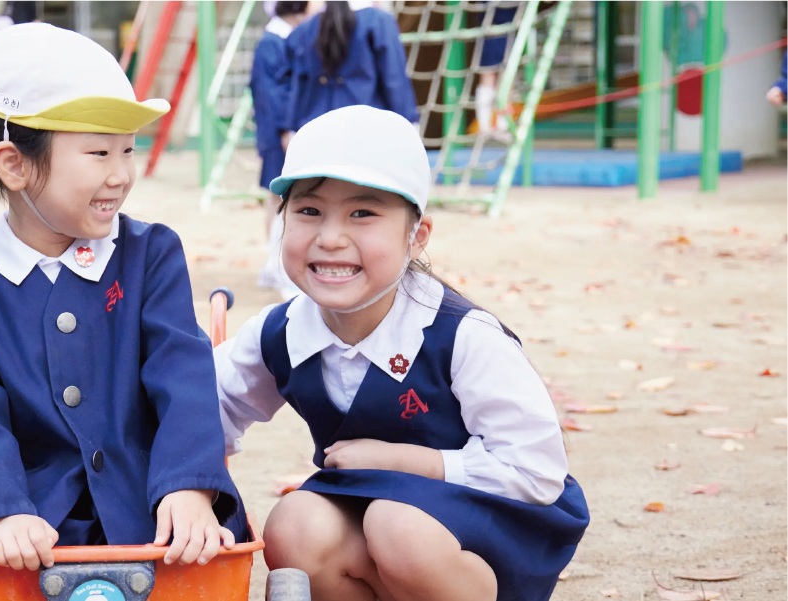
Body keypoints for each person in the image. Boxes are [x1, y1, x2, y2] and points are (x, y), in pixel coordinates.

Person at [0, 23, 246, 572]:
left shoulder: (150, 254)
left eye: (128, 151)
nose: (121, 175)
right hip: (36, 525)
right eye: (98, 153)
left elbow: (182, 375)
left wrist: (189, 487)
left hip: (156, 510)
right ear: (13, 164)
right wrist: (2, 512)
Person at [214, 105, 589, 601]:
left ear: (417, 236)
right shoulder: (282, 330)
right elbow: (201, 410)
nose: (330, 238)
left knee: (400, 530)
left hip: (485, 521)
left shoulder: (463, 335)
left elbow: (535, 471)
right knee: (294, 525)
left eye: (363, 213)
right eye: (308, 211)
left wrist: (414, 461)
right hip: (370, 507)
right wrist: (191, 489)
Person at [280, 0, 419, 146]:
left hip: (316, 133)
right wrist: (410, 122)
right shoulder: (379, 22)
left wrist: (291, 130)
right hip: (368, 133)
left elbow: (297, 85)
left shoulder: (304, 30)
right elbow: (394, 80)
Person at [252, 0, 315, 300]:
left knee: (278, 195)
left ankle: (274, 263)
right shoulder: (273, 42)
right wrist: (285, 131)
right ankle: (275, 263)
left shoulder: (286, 38)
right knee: (278, 195)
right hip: (280, 134)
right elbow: (272, 94)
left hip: (283, 132)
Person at [472, 1, 519, 134]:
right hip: (495, 26)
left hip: (499, 26)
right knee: (497, 76)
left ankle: (492, 125)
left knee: (497, 76)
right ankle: (493, 125)